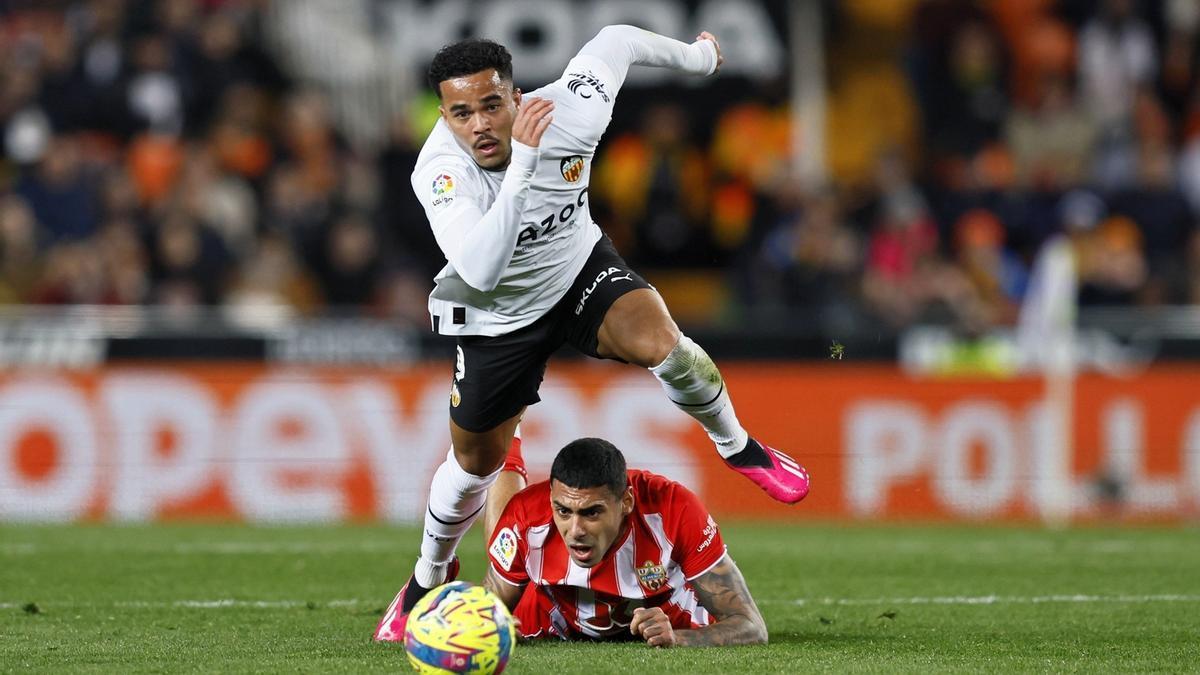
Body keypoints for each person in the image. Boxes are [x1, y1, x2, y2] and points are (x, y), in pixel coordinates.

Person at [374, 25, 809, 642]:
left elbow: (618, 40)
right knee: (475, 464)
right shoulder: (439, 172)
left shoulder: (572, 108)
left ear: (517, 96)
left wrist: (700, 57)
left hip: (579, 271)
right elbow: (481, 269)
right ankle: (425, 578)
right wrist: (525, 163)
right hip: (499, 316)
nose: (480, 125)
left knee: (666, 344)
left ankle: (737, 444)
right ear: (444, 117)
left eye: (492, 105)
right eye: (461, 113)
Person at [484, 438, 768, 647]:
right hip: (551, 624)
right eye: (563, 511)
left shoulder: (674, 510)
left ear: (626, 502)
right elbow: (487, 607)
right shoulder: (526, 517)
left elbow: (750, 626)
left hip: (669, 621)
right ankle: (509, 438)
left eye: (591, 512)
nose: (576, 530)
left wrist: (679, 638)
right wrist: (486, 624)